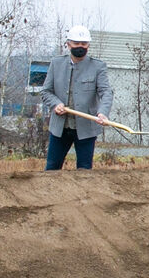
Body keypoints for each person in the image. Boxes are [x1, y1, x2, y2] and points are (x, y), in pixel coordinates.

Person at [38, 25, 112, 171]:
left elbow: (106, 92)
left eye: (84, 44)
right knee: (52, 168)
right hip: (60, 128)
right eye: (77, 43)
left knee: (84, 170)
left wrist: (103, 112)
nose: (80, 46)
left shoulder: (98, 66)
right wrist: (55, 104)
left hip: (86, 128)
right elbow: (46, 91)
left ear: (88, 45)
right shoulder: (56, 63)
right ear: (68, 44)